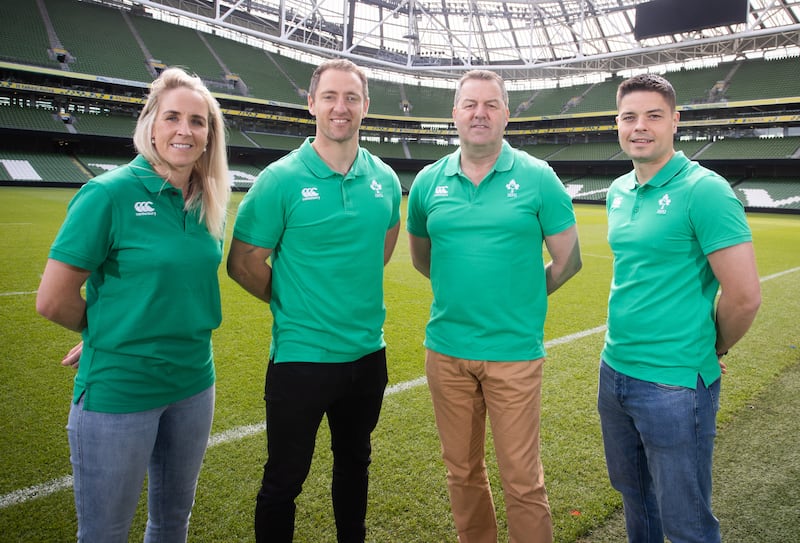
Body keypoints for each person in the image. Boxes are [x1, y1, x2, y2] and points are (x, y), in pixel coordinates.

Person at [35, 67, 230, 542]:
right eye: (172, 117)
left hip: (193, 385)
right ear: (150, 124)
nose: (185, 130)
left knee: (171, 523)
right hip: (120, 392)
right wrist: (103, 330)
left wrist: (114, 320)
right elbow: (52, 299)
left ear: (209, 135)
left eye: (198, 121)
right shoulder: (108, 194)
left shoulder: (207, 199)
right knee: (105, 532)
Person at [226, 58, 402, 543]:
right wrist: (292, 304)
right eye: (330, 96)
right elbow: (243, 263)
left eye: (351, 97)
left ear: (365, 105)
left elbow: (382, 246)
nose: (340, 107)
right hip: (301, 361)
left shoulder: (384, 179)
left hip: (368, 356)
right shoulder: (280, 179)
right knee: (283, 481)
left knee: (355, 465)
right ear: (311, 104)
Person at [406, 69, 582, 543]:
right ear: (455, 114)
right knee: (461, 474)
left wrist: (521, 295)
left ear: (506, 113)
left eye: (490, 104)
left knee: (522, 481)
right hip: (446, 351)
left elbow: (568, 261)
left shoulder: (537, 177)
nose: (479, 113)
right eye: (469, 104)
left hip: (514, 354)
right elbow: (424, 260)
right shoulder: (427, 182)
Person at [598, 73, 762, 543]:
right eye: (629, 117)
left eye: (653, 115)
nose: (640, 126)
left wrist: (713, 347)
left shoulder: (704, 190)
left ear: (675, 121)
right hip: (615, 371)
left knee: (686, 520)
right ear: (618, 123)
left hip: (673, 385)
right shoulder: (618, 190)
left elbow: (745, 294)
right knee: (635, 498)